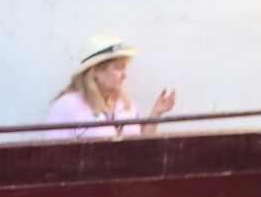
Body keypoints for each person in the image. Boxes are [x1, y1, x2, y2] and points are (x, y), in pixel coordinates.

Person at [45, 33, 176, 140]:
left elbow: (143, 146)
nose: (125, 75)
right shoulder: (67, 106)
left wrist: (156, 113)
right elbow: (54, 155)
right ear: (95, 71)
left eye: (125, 68)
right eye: (119, 68)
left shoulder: (125, 104)